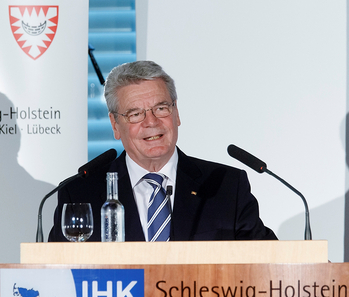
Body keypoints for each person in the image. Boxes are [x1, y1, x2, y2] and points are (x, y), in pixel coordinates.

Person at [48, 61, 277, 242]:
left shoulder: (227, 186)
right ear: (115, 124)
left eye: (161, 108)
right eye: (135, 114)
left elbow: (267, 264)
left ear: (176, 113)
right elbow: (58, 277)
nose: (152, 122)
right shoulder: (79, 193)